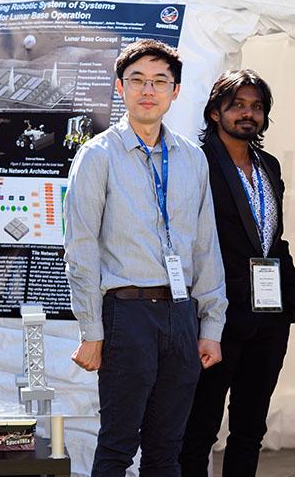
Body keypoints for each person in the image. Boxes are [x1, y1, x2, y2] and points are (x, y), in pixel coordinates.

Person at [65, 39, 227, 477]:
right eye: (137, 80)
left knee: (167, 450)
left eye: (160, 81)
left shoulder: (192, 160)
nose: (148, 90)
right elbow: (79, 249)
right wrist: (91, 331)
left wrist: (211, 326)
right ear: (121, 88)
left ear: (175, 92)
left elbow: (205, 247)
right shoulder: (97, 156)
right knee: (118, 445)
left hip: (181, 315)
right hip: (126, 315)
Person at [181, 69, 295, 476]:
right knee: (199, 427)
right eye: (237, 104)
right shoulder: (197, 162)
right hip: (217, 314)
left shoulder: (269, 165)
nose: (247, 114)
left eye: (256, 107)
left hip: (270, 314)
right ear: (215, 111)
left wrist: (291, 299)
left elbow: (272, 238)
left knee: (250, 427)